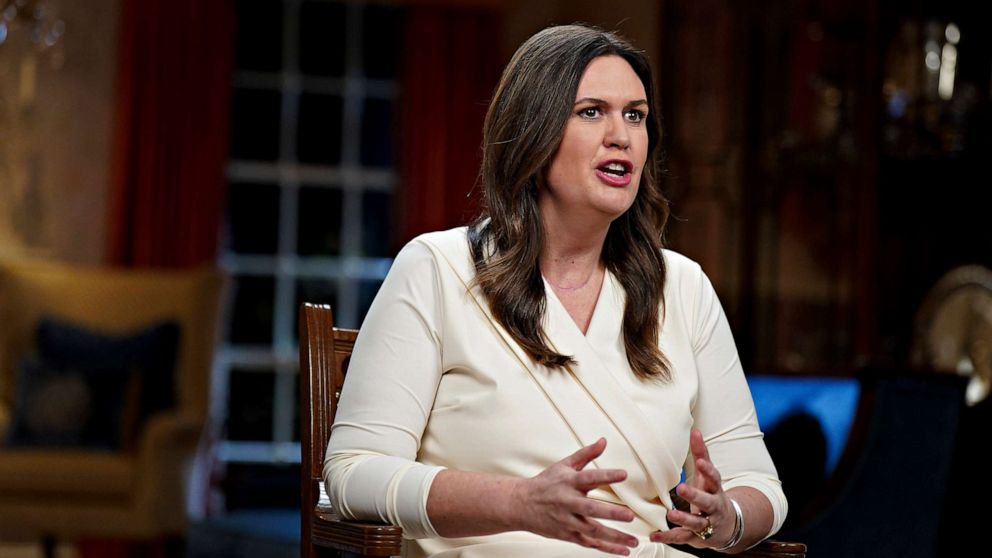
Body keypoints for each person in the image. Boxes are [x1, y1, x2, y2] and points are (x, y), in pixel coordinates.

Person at [324, 24, 787, 557]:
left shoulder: (682, 288)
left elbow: (763, 490)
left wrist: (722, 520)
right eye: (592, 111)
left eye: (635, 115)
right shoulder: (437, 268)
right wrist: (517, 502)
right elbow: (352, 475)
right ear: (533, 133)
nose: (622, 135)